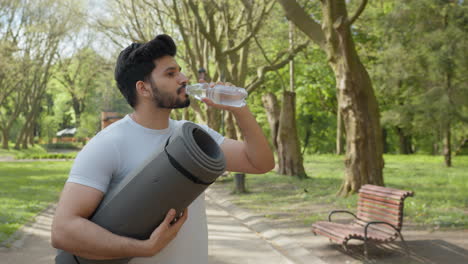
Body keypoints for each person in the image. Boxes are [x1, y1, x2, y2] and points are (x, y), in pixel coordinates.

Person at [51, 34, 274, 263]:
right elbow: (63, 230)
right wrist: (144, 248)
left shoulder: (194, 135)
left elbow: (260, 163)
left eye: (180, 70)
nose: (184, 78)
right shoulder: (109, 144)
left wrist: (238, 107)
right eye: (171, 73)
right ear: (144, 88)